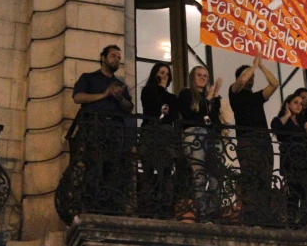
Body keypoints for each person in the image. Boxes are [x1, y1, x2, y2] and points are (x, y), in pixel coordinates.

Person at [71, 45, 134, 213]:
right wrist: (104, 95)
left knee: (113, 167)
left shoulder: (120, 85)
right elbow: (78, 97)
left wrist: (120, 98)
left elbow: (129, 107)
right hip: (94, 128)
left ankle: (110, 206)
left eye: (119, 58)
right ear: (103, 58)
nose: (117, 60)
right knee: (94, 164)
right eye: (113, 56)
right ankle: (91, 205)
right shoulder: (89, 78)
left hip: (115, 130)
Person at [229, 53, 279, 223]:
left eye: (253, 76)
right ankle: (251, 218)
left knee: (265, 178)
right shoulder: (234, 93)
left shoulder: (256, 97)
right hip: (247, 140)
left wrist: (261, 67)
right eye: (249, 74)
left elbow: (275, 84)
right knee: (250, 179)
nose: (251, 78)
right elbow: (241, 82)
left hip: (263, 140)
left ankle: (263, 218)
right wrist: (252, 67)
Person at [178, 66, 224, 220]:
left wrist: (215, 98)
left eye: (205, 75)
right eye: (199, 75)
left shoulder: (210, 97)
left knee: (216, 176)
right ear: (192, 77)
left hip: (212, 136)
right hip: (194, 134)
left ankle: (212, 212)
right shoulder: (186, 93)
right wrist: (208, 99)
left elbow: (215, 120)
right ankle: (202, 214)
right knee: (200, 176)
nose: (203, 77)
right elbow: (190, 115)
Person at [138, 63, 179, 216]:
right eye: (161, 72)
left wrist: (163, 91)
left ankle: (166, 207)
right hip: (149, 131)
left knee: (166, 170)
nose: (164, 76)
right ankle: (147, 206)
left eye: (167, 74)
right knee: (147, 168)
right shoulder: (147, 91)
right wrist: (160, 89)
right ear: (155, 74)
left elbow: (173, 115)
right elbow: (151, 107)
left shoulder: (171, 97)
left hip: (166, 133)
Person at [271, 94, 307, 223]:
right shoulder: (280, 119)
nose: (299, 105)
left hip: (304, 160)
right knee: (294, 190)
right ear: (287, 104)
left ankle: (305, 220)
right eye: (296, 102)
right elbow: (276, 130)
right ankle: (292, 220)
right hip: (291, 160)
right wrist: (287, 115)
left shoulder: (302, 122)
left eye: (300, 103)